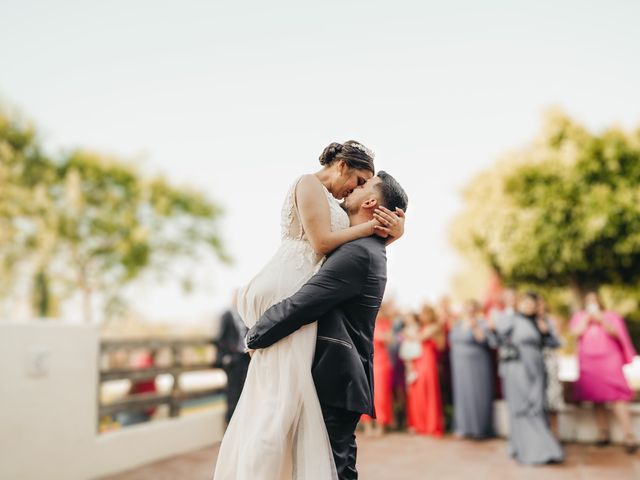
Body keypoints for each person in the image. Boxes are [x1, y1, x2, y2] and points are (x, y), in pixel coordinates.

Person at [213, 141, 406, 480]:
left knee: (325, 457)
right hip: (330, 359)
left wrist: (256, 333)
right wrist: (384, 232)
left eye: (365, 186)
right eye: (359, 179)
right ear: (343, 165)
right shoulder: (351, 233)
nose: (356, 189)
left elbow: (307, 301)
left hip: (334, 367)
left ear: (373, 203)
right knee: (294, 434)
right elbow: (327, 246)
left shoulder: (360, 251)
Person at [495, 292, 564, 465]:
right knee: (521, 405)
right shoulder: (510, 319)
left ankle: (543, 447)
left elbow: (555, 343)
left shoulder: (540, 322)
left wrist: (546, 333)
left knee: (536, 405)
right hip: (517, 366)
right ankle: (526, 448)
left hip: (536, 366)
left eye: (532, 303)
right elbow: (497, 337)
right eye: (526, 302)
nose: (529, 306)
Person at [570, 291, 638, 453]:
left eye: (594, 300)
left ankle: (628, 435)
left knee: (618, 396)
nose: (591, 303)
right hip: (589, 362)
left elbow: (618, 334)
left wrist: (602, 320)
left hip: (609, 360)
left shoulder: (611, 316)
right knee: (596, 397)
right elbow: (574, 333)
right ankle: (603, 432)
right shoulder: (580, 317)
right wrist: (587, 320)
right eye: (588, 300)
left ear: (599, 301)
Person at [449, 300, 495, 439]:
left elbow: (485, 340)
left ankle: (478, 429)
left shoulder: (481, 323)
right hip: (459, 364)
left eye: (471, 308)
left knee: (477, 393)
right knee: (462, 394)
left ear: (476, 310)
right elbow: (451, 342)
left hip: (477, 364)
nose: (469, 311)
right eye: (466, 308)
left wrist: (475, 327)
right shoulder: (457, 324)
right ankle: (463, 427)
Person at [406, 306, 444, 437]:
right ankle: (418, 423)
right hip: (417, 359)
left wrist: (409, 334)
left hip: (427, 360)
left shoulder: (434, 327)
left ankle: (431, 424)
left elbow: (421, 338)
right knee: (417, 391)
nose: (421, 317)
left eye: (423, 314)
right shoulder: (421, 328)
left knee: (428, 389)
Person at [213, 291, 251, 424]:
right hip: (232, 361)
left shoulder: (246, 316)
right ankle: (230, 425)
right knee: (232, 394)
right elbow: (220, 338)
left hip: (245, 359)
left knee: (246, 392)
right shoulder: (226, 316)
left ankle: (243, 424)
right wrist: (225, 357)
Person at [361, 304, 394, 437]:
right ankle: (367, 425)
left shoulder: (386, 324)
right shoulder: (364, 321)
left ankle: (381, 424)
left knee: (381, 395)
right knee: (365, 393)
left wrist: (380, 335)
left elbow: (389, 340)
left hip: (381, 362)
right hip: (366, 360)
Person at [538, 298, 564, 437]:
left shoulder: (551, 321)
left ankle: (555, 432)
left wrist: (547, 332)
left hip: (550, 362)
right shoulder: (527, 322)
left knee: (552, 398)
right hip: (534, 363)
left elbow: (560, 342)